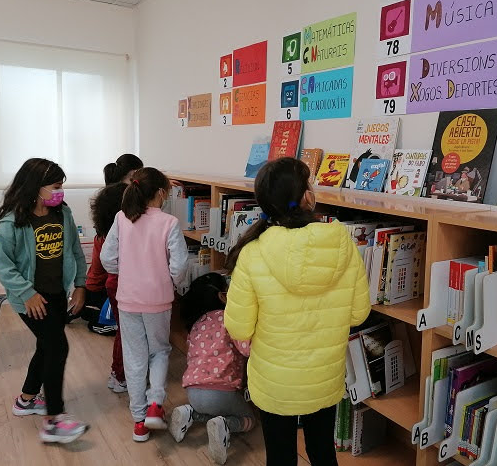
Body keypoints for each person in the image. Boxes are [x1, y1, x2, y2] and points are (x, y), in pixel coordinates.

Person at [223, 157, 371, 466]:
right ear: (306, 197)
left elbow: (239, 328)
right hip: (324, 376)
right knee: (322, 452)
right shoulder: (343, 245)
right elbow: (359, 314)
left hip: (274, 381)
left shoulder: (252, 253)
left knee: (280, 456)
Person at [0, 158, 89, 444]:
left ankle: (25, 400)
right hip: (31, 300)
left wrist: (81, 285)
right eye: (56, 186)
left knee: (47, 345)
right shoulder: (12, 222)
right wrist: (27, 293)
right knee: (58, 347)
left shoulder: (63, 213)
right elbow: (5, 268)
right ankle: (53, 421)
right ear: (36, 187)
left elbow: (75, 251)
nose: (60, 192)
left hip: (58, 294)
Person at [100, 167, 189, 443]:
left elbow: (107, 258)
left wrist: (126, 272)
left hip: (128, 299)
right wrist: (169, 280)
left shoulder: (122, 218)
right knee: (159, 351)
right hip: (158, 300)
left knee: (134, 357)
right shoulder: (169, 223)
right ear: (161, 193)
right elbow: (180, 266)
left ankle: (139, 422)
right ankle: (155, 404)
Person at [170, 273, 255, 464]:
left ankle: (189, 413)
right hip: (221, 392)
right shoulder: (230, 320)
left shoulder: (196, 324)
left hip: (192, 392)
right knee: (249, 419)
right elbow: (246, 349)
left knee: (211, 409)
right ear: (222, 296)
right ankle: (226, 425)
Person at [86, 182, 128, 392]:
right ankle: (120, 375)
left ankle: (117, 373)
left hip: (112, 286)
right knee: (127, 334)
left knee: (124, 332)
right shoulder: (118, 235)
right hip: (118, 287)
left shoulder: (105, 233)